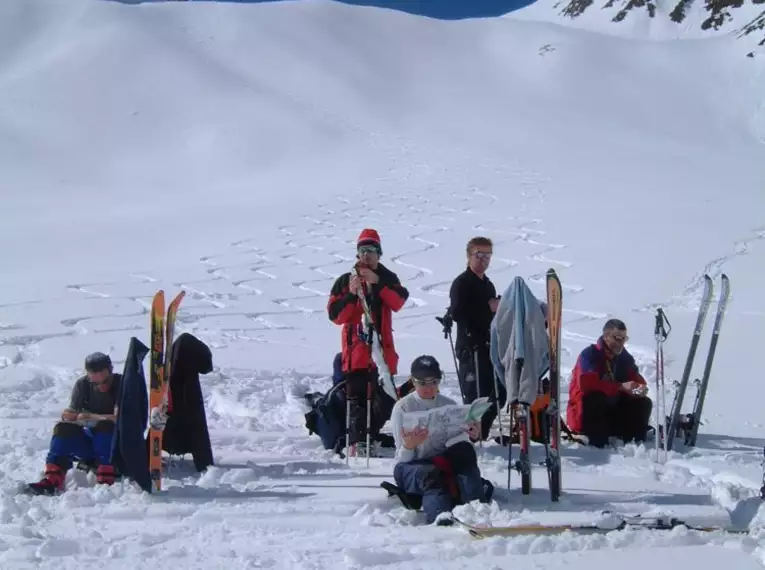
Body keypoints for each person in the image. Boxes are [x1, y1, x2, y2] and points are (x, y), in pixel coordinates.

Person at [327, 228, 409, 455]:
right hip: (356, 353)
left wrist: (379, 284)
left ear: (379, 253)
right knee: (357, 402)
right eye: (362, 251)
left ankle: (370, 435)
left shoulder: (388, 278)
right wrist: (351, 294)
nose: (366, 255)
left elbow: (399, 300)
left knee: (384, 399)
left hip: (382, 352)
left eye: (371, 250)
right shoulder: (345, 280)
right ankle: (357, 442)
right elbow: (336, 315)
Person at [390, 355, 492, 525]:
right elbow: (401, 459)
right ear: (413, 382)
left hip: (441, 460)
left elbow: (456, 440)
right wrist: (409, 446)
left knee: (465, 451)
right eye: (423, 383)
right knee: (430, 474)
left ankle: (476, 508)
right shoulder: (403, 408)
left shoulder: (448, 404)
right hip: (410, 467)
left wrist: (471, 434)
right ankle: (440, 517)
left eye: (434, 382)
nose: (429, 388)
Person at [27, 352, 122, 495]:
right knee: (63, 429)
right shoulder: (83, 385)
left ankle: (107, 477)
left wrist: (93, 417)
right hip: (91, 443)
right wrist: (76, 416)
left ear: (110, 370)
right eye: (95, 379)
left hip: (116, 446)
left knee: (105, 426)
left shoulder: (121, 385)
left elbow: (121, 418)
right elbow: (68, 414)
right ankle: (53, 479)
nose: (101, 384)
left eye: (103, 378)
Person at [448, 236, 505, 440]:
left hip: (488, 346)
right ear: (469, 256)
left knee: (498, 394)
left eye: (487, 255)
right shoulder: (462, 283)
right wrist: (486, 307)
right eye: (478, 255)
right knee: (475, 396)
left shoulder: (488, 284)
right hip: (470, 346)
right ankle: (469, 437)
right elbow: (457, 313)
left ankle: (480, 433)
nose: (483, 260)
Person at [566, 319, 652, 448]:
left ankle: (635, 442)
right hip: (585, 414)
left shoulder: (624, 358)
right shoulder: (590, 355)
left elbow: (638, 382)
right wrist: (620, 387)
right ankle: (598, 444)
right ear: (606, 337)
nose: (621, 343)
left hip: (612, 411)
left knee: (644, 402)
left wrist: (638, 390)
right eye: (617, 338)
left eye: (624, 339)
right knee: (595, 398)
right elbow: (587, 385)